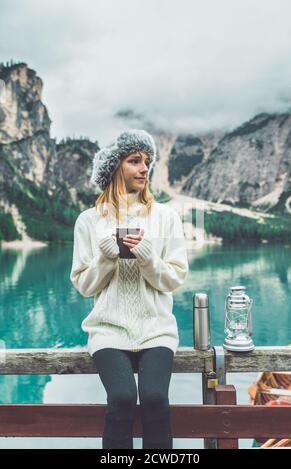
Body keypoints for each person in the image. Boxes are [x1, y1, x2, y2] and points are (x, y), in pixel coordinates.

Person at [70, 129, 189, 449]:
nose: (144, 168)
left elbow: (175, 278)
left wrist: (149, 258)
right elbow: (83, 285)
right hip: (108, 329)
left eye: (147, 161)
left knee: (154, 399)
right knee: (121, 398)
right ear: (114, 168)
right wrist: (105, 258)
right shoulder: (88, 220)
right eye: (134, 160)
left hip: (156, 329)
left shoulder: (165, 217)